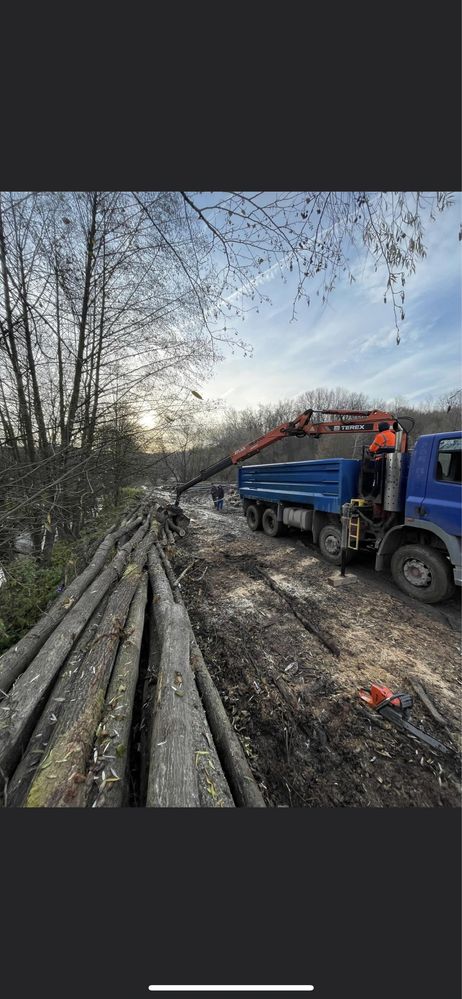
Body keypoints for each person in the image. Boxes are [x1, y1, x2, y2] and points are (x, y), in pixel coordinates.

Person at [367, 422, 396, 500]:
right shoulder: (394, 435)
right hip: (392, 461)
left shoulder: (380, 436)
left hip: (380, 460)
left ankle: (373, 495)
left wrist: (369, 451)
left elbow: (372, 448)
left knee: (377, 478)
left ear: (380, 428)